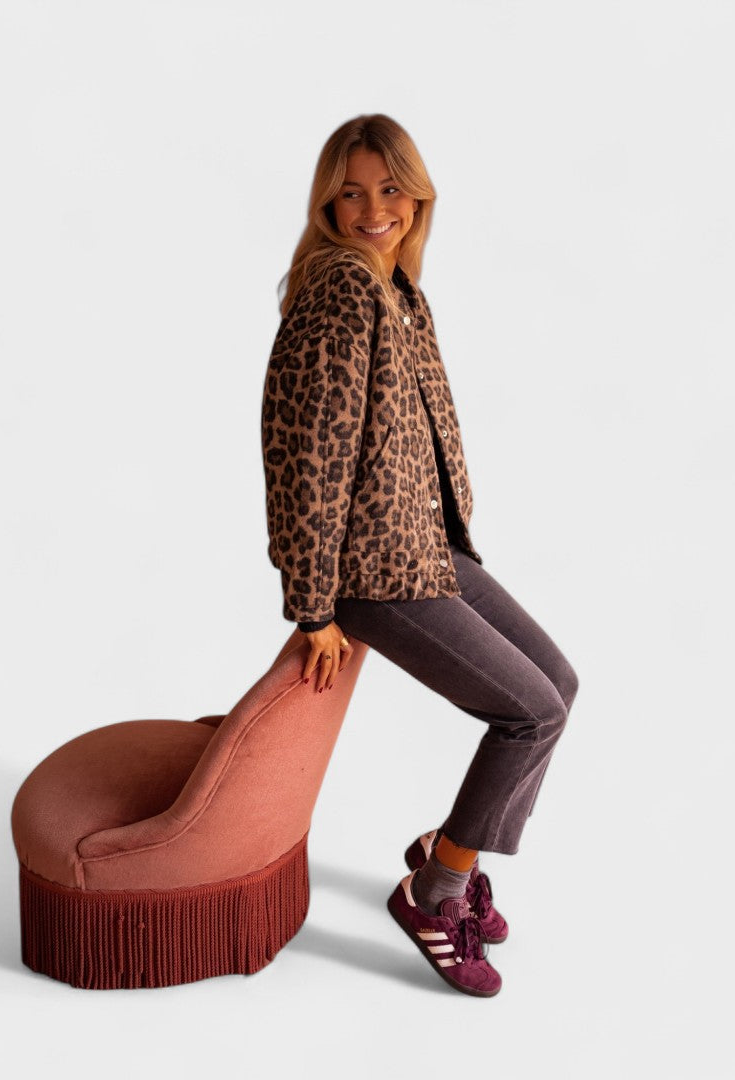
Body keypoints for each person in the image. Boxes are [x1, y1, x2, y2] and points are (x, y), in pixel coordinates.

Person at [260, 114, 579, 998]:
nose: (374, 209)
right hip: (374, 573)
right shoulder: (342, 291)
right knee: (530, 713)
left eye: (390, 188)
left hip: (427, 548)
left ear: (418, 195)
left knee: (559, 685)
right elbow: (309, 460)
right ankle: (435, 890)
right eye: (352, 192)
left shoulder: (398, 289)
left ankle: (448, 848)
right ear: (328, 203)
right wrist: (313, 607)